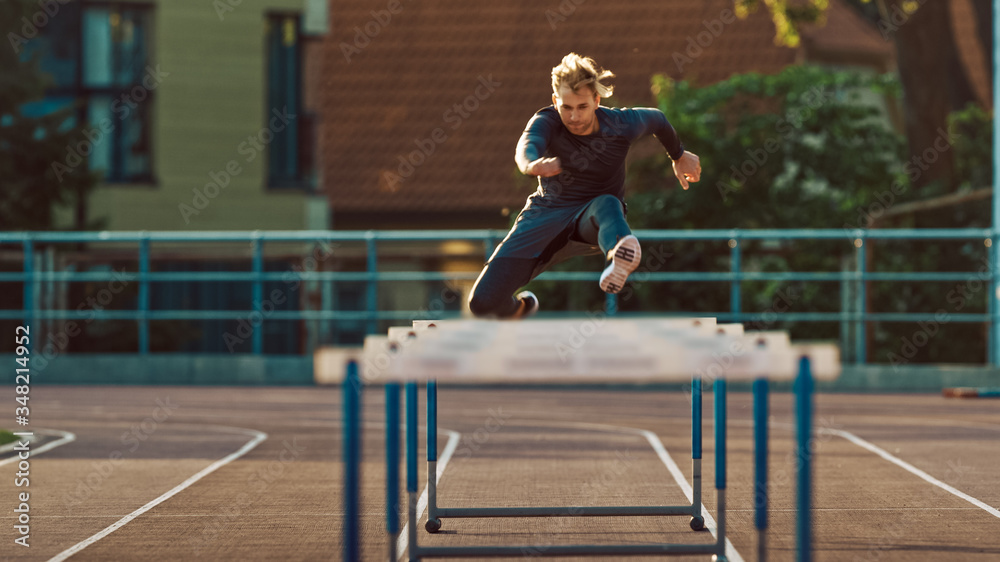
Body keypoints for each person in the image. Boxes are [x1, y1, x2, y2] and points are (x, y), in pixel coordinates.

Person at [467, 53, 701, 319]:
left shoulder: (620, 124)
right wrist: (531, 165)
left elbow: (658, 120)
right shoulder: (547, 121)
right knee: (482, 303)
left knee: (607, 202)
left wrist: (678, 155)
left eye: (582, 107)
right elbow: (527, 145)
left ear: (596, 101)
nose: (574, 117)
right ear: (556, 101)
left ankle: (619, 254)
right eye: (567, 107)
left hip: (593, 220)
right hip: (545, 216)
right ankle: (520, 309)